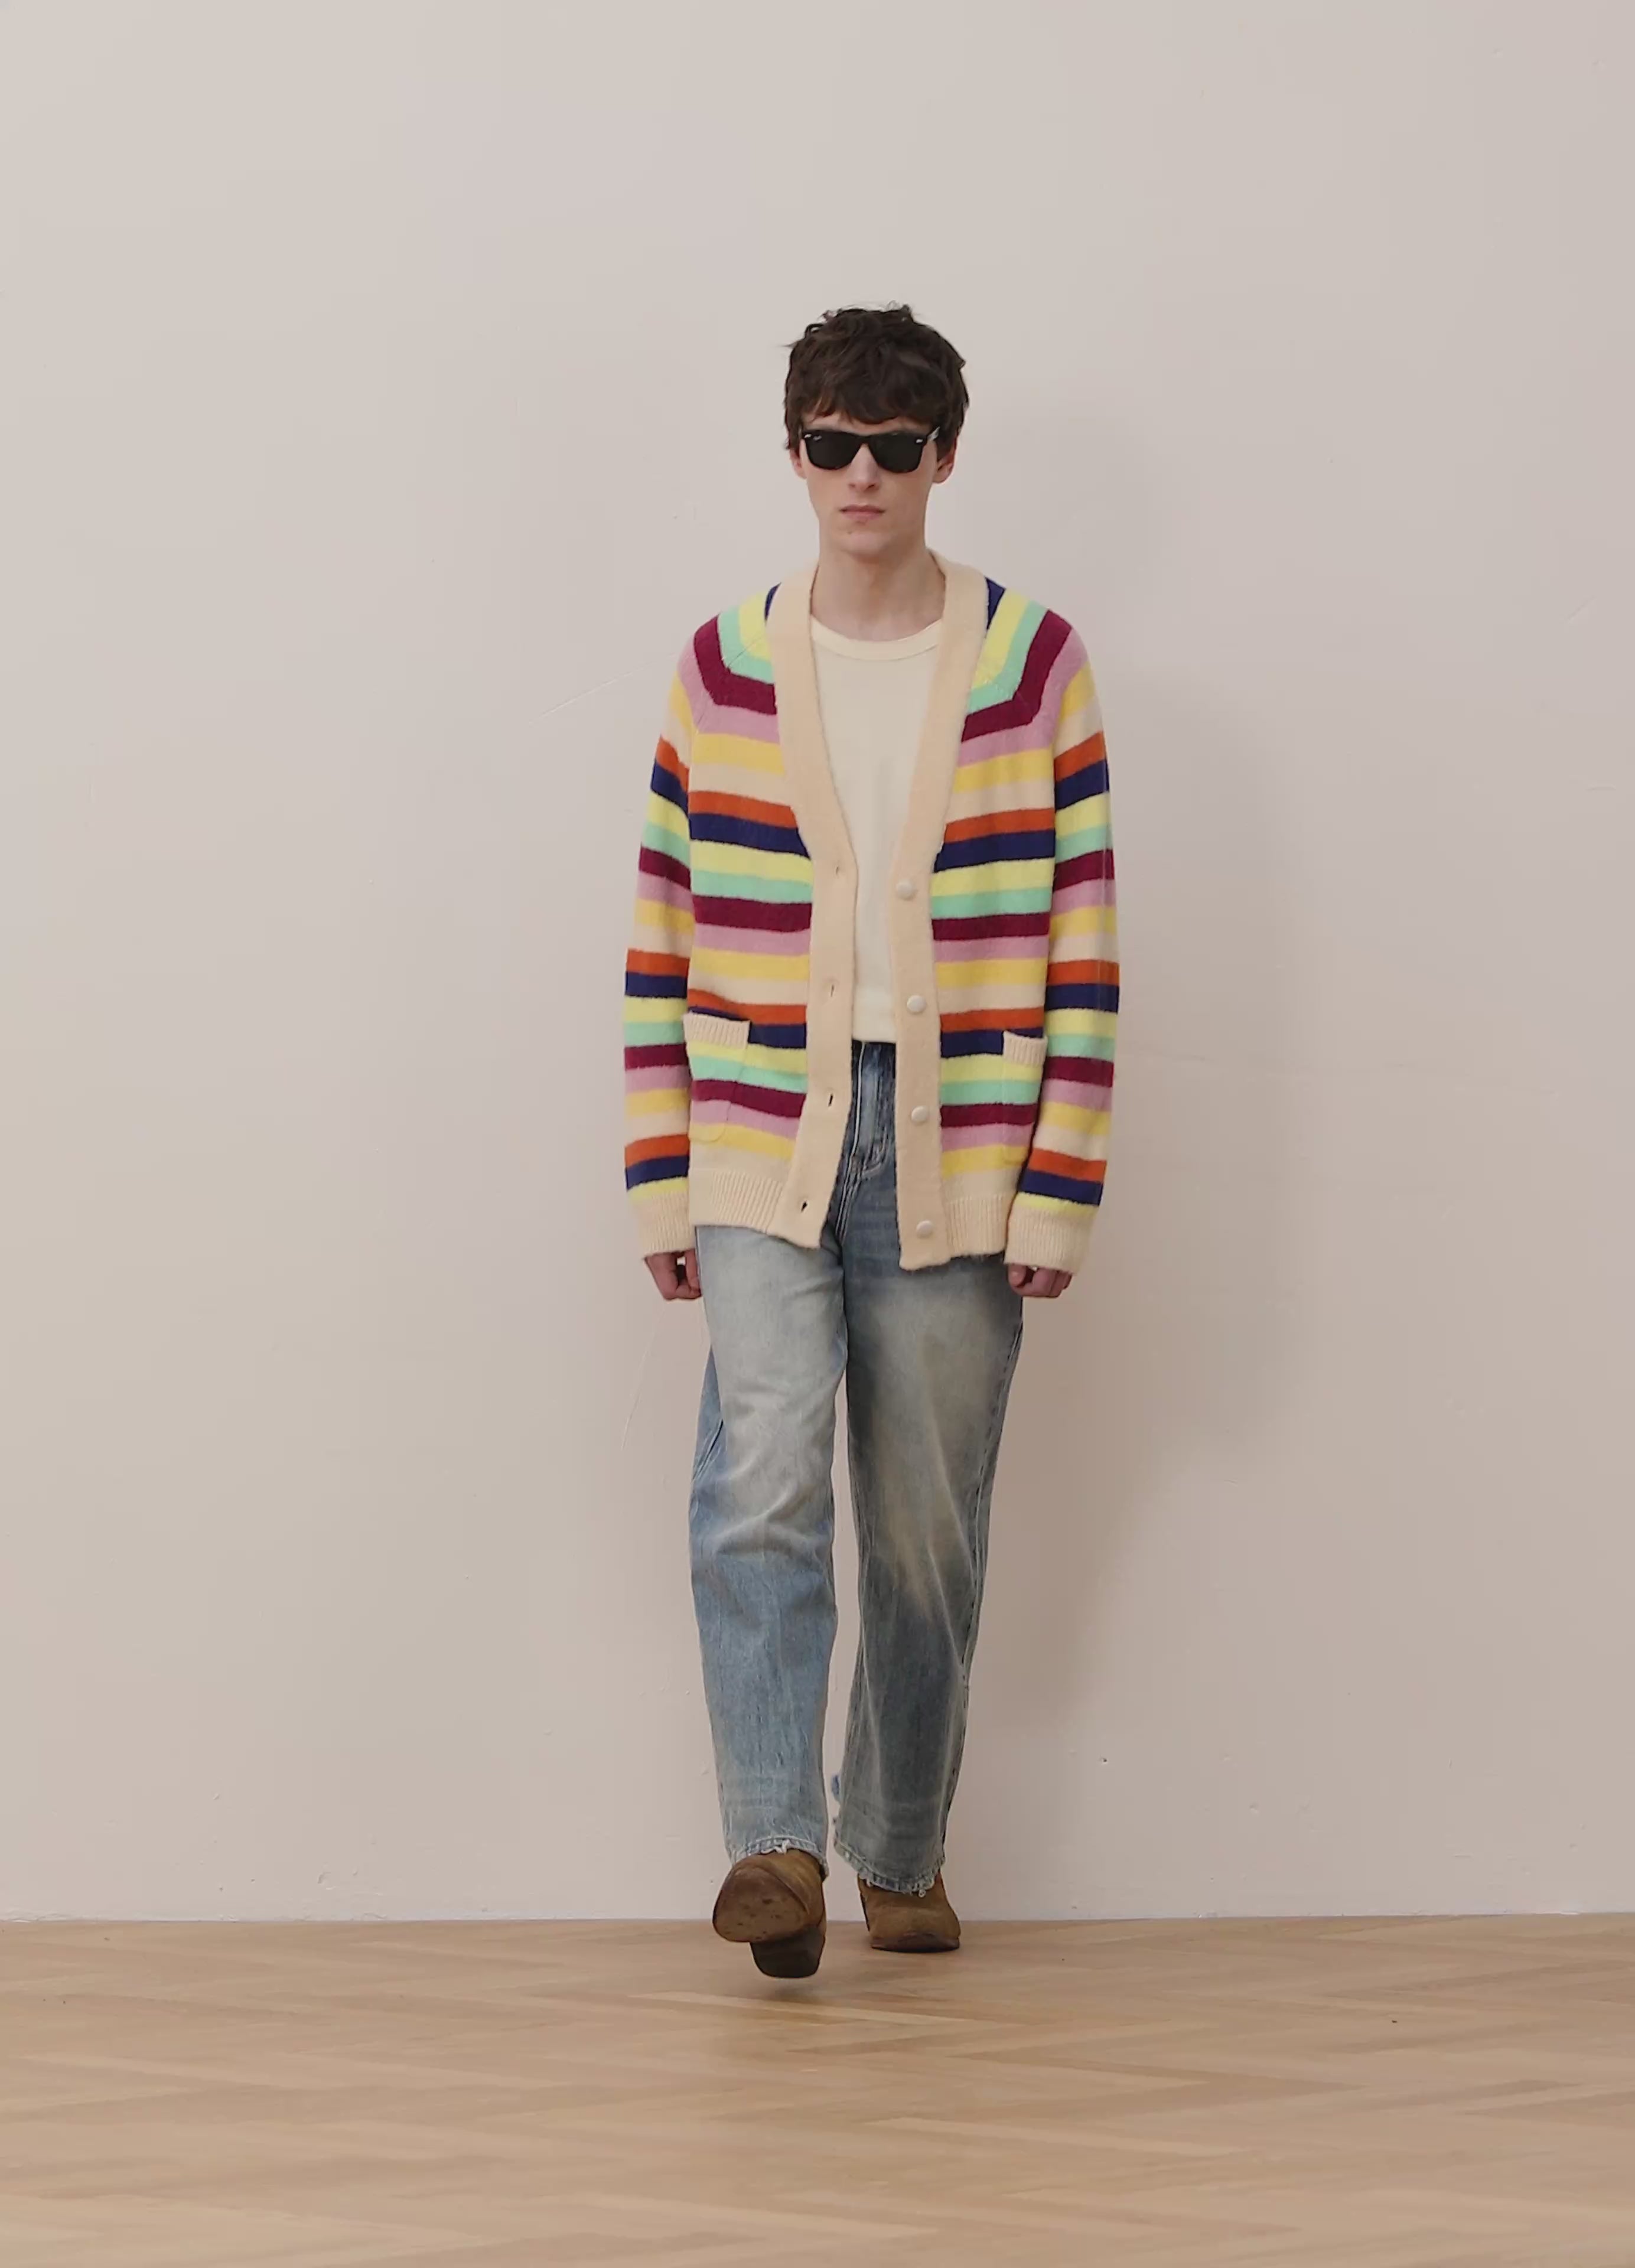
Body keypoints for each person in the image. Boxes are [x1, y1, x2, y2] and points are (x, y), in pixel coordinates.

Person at [620, 304, 1119, 1977]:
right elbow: (665, 926)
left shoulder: (1034, 664)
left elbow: (1085, 934)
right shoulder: (722, 665)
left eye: (893, 449)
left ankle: (900, 1849)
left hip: (964, 1142)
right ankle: (774, 1847)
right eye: (831, 445)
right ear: (794, 452)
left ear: (943, 459)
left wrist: (1060, 1184)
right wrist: (662, 1170)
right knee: (759, 1479)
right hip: (762, 1128)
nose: (861, 476)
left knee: (924, 1526)